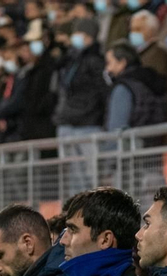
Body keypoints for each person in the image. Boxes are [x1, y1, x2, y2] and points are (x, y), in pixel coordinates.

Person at [52, 17, 109, 194]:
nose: (74, 37)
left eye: (79, 33)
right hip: (67, 122)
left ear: (89, 36)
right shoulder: (71, 59)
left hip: (88, 124)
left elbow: (104, 93)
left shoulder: (95, 61)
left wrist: (98, 117)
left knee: (90, 178)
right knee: (71, 180)